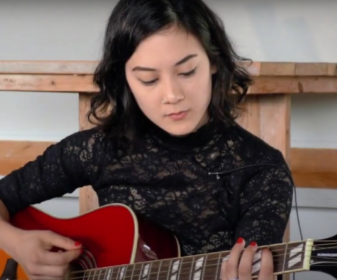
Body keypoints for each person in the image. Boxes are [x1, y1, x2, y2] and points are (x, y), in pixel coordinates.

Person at [0, 0, 294, 280]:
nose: (172, 95)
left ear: (214, 61)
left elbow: (255, 267)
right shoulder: (97, 149)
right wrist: (16, 244)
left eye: (188, 71)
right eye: (149, 79)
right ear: (124, 78)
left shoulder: (261, 169)